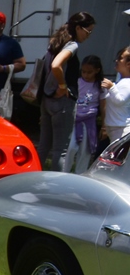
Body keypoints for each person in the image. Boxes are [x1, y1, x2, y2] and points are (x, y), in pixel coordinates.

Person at [38, 12, 97, 170]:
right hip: (62, 103)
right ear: (78, 28)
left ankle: (33, 178)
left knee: (44, 146)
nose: (88, 35)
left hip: (46, 99)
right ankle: (57, 187)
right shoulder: (72, 45)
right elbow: (56, 65)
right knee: (60, 150)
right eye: (88, 31)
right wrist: (63, 86)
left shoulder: (55, 42)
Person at [65, 55, 105, 171]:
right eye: (83, 72)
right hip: (74, 119)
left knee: (85, 151)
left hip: (89, 121)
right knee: (70, 148)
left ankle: (80, 175)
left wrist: (104, 126)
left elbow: (103, 106)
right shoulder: (77, 82)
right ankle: (63, 173)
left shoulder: (100, 85)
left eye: (89, 72)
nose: (86, 75)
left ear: (97, 71)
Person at [101, 47, 130, 143]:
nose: (116, 60)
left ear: (128, 64)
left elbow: (120, 101)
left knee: (121, 157)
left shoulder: (128, 83)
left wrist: (111, 87)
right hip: (114, 127)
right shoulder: (121, 82)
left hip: (121, 129)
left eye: (120, 58)